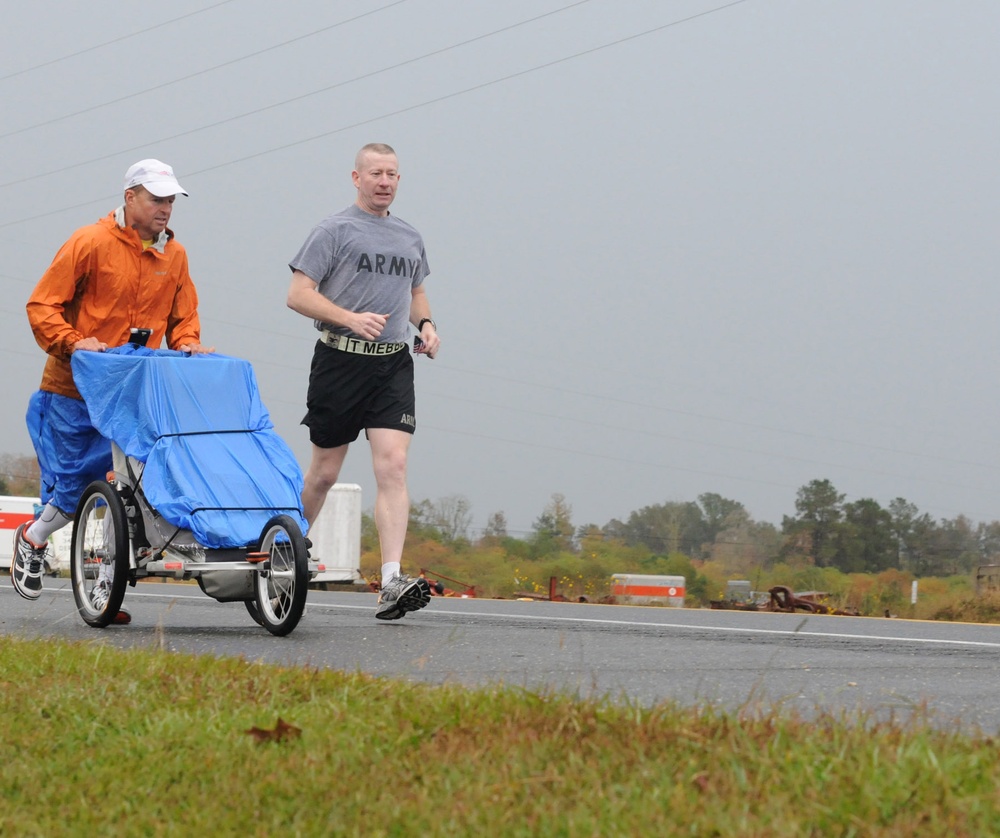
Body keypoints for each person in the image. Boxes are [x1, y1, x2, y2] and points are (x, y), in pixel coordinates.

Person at [15, 158, 213, 618]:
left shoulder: (175, 255)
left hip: (133, 394)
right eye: (156, 198)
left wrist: (190, 345)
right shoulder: (90, 242)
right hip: (72, 391)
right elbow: (42, 305)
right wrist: (73, 342)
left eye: (170, 200)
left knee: (129, 494)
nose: (165, 208)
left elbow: (183, 318)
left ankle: (105, 590)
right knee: (73, 490)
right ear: (130, 198)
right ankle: (33, 538)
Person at [286, 142, 440, 621]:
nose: (385, 181)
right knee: (325, 473)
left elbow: (415, 290)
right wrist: (349, 318)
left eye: (392, 174)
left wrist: (428, 325)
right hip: (339, 360)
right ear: (356, 178)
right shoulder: (333, 230)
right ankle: (289, 548)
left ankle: (392, 579)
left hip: (392, 364)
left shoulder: (410, 236)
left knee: (393, 466)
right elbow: (297, 295)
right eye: (375, 173)